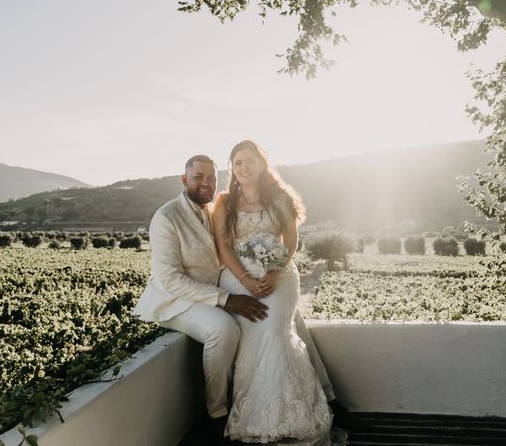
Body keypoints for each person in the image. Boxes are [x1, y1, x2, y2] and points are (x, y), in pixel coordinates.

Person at [133, 153, 362, 443]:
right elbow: (170, 280)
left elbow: (239, 244)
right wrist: (227, 298)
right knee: (224, 329)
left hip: (224, 285)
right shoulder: (167, 217)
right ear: (184, 180)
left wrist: (266, 269)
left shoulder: (217, 205)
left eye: (211, 177)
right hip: (177, 298)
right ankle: (216, 414)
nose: (206, 183)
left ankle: (329, 400)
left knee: (292, 320)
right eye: (198, 177)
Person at [212, 140, 332, 444]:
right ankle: (253, 414)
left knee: (275, 329)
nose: (244, 167)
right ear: (232, 167)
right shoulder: (224, 202)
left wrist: (276, 271)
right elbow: (224, 247)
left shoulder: (279, 198)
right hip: (238, 277)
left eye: (250, 161)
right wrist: (245, 278)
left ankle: (291, 413)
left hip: (279, 276)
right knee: (253, 331)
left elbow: (291, 242)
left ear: (262, 164)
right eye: (238, 162)